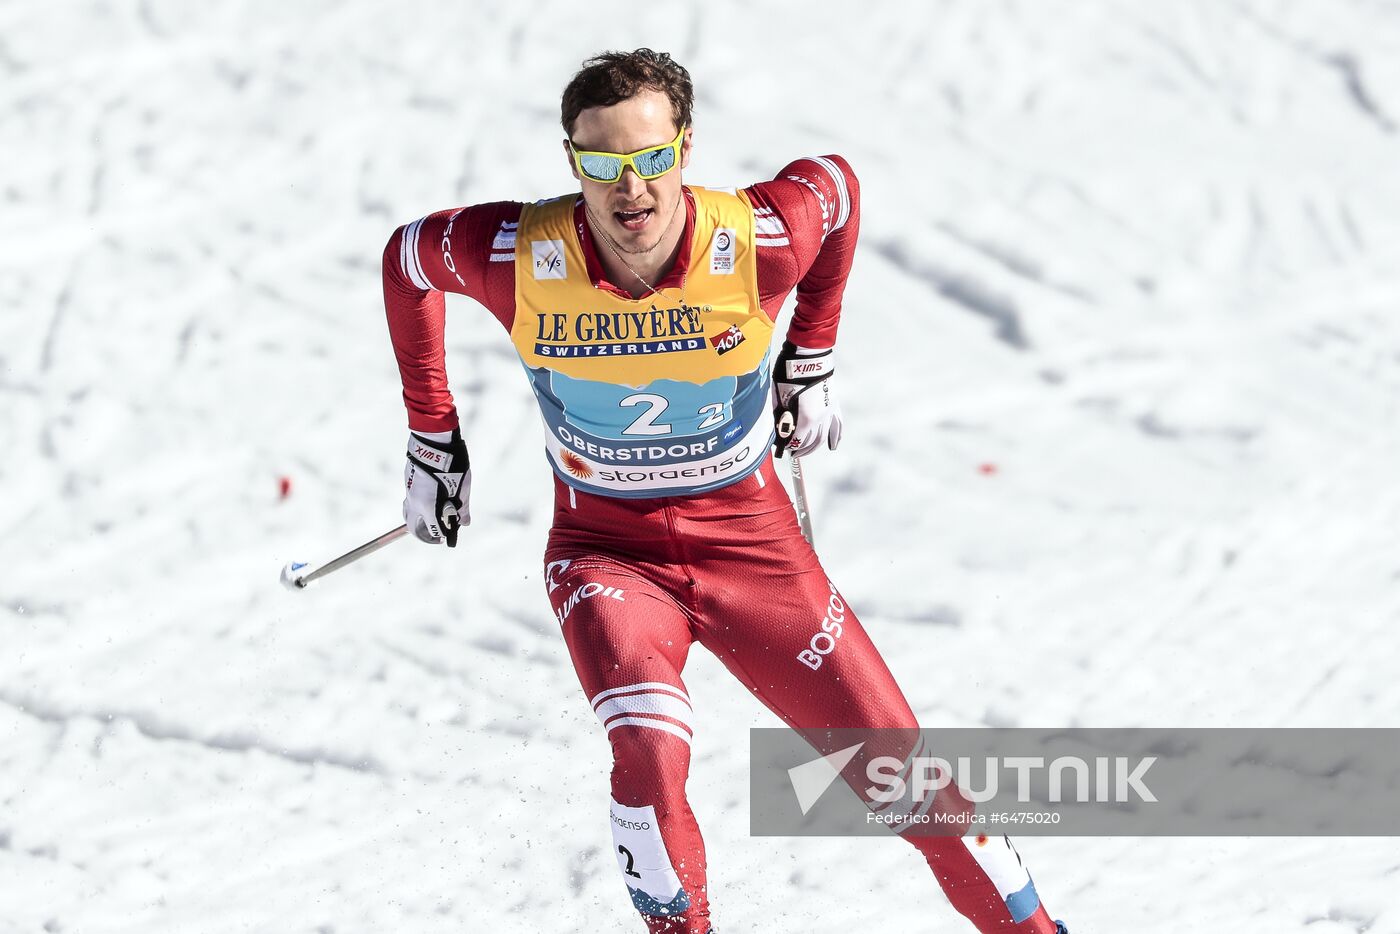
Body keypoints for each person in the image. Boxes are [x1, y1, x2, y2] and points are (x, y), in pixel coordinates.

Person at [381, 48, 1069, 934]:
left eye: (652, 159)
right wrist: (431, 433)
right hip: (608, 555)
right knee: (647, 755)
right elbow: (407, 261)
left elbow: (841, 188)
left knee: (918, 795)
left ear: (686, 148)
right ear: (571, 161)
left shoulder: (758, 237)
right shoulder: (516, 252)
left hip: (756, 552)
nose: (631, 189)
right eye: (602, 164)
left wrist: (811, 352)